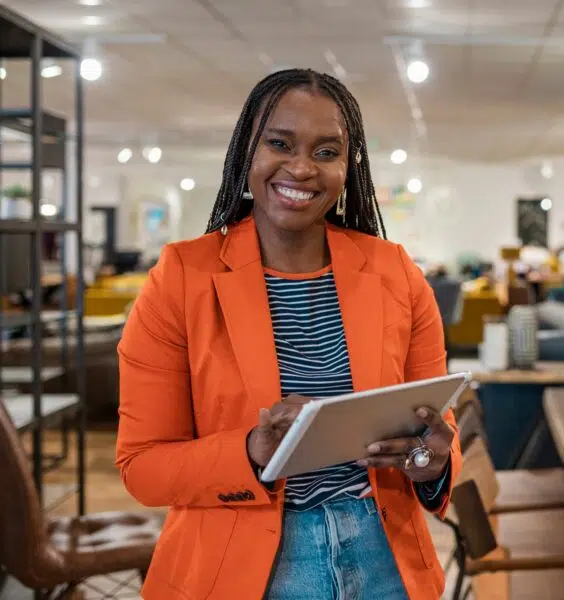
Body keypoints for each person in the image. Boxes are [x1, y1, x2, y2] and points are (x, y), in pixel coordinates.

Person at [115, 68, 461, 600]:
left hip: (384, 557)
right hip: (242, 565)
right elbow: (144, 467)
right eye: (279, 143)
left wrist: (433, 460)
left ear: (349, 167)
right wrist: (253, 450)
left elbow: (437, 426)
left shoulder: (395, 272)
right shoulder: (181, 278)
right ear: (246, 152)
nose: (301, 168)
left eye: (327, 152)